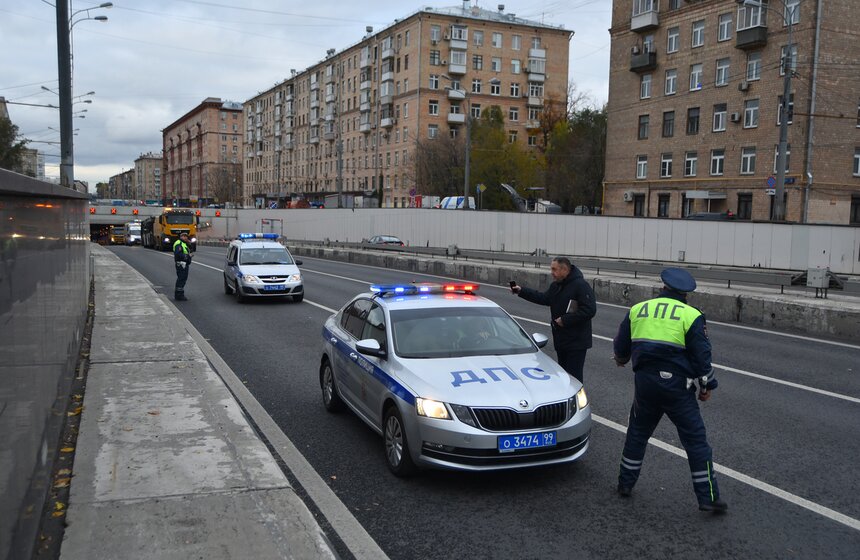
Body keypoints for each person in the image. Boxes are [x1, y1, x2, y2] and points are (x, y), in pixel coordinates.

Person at [613, 267, 727, 513]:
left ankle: (625, 484)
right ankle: (707, 497)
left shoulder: (638, 309)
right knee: (696, 442)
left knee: (637, 433)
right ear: (686, 294)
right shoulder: (691, 315)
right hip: (677, 388)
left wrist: (621, 359)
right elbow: (701, 358)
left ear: (662, 287)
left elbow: (622, 345)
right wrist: (706, 385)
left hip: (645, 384)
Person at [511, 256, 596, 383]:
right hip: (561, 340)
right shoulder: (557, 286)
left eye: (554, 269)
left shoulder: (580, 285)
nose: (552, 273)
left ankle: (576, 401)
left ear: (564, 269)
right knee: (563, 376)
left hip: (576, 342)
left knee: (574, 378)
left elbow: (589, 310)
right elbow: (544, 298)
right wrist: (521, 291)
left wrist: (565, 320)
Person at [173, 232, 192, 301]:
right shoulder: (178, 243)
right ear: (181, 237)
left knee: (183, 279)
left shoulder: (184, 243)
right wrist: (187, 256)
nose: (186, 237)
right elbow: (178, 255)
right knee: (181, 279)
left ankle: (179, 294)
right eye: (184, 236)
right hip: (181, 264)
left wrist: (189, 244)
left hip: (184, 264)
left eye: (186, 236)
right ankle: (179, 295)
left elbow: (190, 250)